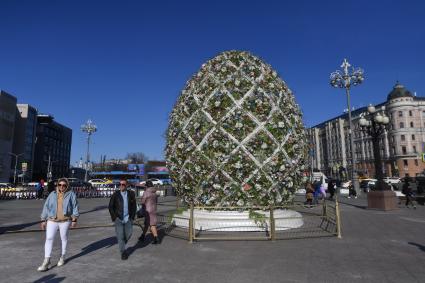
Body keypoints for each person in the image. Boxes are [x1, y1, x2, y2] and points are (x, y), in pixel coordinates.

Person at [37, 178, 79, 272]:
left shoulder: (71, 194)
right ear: (57, 185)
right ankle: (46, 260)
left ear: (67, 186)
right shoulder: (52, 194)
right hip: (52, 219)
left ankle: (62, 256)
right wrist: (43, 219)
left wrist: (74, 219)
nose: (61, 187)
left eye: (64, 185)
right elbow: (46, 206)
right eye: (60, 185)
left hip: (65, 220)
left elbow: (75, 206)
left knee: (63, 238)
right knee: (49, 238)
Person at [108, 179, 137, 260]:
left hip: (128, 218)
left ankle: (122, 244)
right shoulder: (115, 194)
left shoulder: (131, 194)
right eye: (119, 184)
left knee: (129, 234)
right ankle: (123, 252)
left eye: (123, 184)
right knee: (120, 236)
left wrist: (132, 217)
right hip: (119, 218)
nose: (121, 186)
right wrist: (115, 217)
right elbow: (110, 206)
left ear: (126, 185)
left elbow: (134, 206)